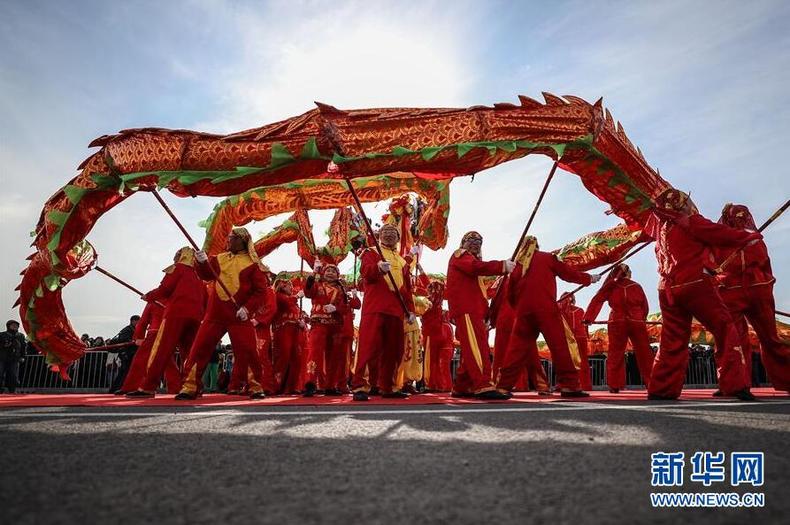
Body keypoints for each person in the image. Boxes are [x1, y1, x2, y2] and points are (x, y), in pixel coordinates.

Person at [644, 189, 761, 400]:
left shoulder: (661, 231)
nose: (690, 204)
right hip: (695, 284)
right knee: (725, 329)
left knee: (672, 340)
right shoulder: (690, 222)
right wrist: (750, 235)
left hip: (667, 289)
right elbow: (720, 233)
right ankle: (734, 385)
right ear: (681, 204)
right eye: (687, 200)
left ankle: (662, 389)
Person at [496, 236, 598, 398]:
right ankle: (569, 385)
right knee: (559, 347)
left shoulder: (516, 267)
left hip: (523, 312)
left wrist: (522, 308)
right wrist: (589, 278)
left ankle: (503, 387)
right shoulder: (547, 257)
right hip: (546, 310)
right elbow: (568, 273)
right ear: (537, 246)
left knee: (515, 350)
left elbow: (509, 296)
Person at [175, 228, 269, 400]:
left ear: (243, 241)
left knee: (248, 351)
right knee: (199, 348)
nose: (229, 240)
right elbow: (206, 275)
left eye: (232, 238)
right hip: (215, 314)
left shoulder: (253, 264)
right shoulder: (219, 258)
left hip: (239, 316)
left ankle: (255, 386)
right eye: (229, 237)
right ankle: (190, 386)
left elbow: (261, 292)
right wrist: (202, 262)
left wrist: (247, 309)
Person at [714, 203, 790, 392]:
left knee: (768, 337)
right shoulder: (724, 240)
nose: (741, 219)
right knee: (733, 338)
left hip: (752, 289)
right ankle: (734, 383)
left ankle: (785, 379)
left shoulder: (753, 239)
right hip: (737, 290)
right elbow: (713, 266)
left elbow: (765, 265)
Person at [127, 247, 206, 398]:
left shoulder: (177, 268)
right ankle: (193, 386)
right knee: (190, 353)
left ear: (181, 256)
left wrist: (149, 296)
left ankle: (148, 386)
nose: (174, 257)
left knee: (162, 350)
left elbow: (165, 289)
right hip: (196, 317)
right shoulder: (199, 276)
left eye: (177, 254)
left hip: (175, 315)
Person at [446, 231, 515, 399]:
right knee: (477, 348)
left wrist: (486, 314)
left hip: (476, 310)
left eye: (479, 240)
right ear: (463, 242)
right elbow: (474, 267)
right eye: (471, 239)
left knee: (473, 348)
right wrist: (501, 266)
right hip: (467, 309)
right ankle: (483, 385)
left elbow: (481, 293)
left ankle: (461, 386)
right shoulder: (461, 255)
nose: (476, 242)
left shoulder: (475, 262)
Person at [351, 224, 416, 401]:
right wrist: (377, 268)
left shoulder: (403, 261)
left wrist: (410, 311)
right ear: (379, 235)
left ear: (398, 237)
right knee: (369, 346)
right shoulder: (371, 252)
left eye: (392, 233)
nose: (388, 235)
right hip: (375, 307)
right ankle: (360, 386)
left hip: (396, 310)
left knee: (394, 349)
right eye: (385, 232)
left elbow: (407, 289)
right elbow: (365, 272)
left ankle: (389, 386)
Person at [583, 264, 652, 392]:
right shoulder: (636, 286)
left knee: (615, 353)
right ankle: (652, 383)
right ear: (628, 273)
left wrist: (589, 317)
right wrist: (641, 318)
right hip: (636, 320)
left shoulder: (611, 286)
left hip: (617, 321)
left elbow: (597, 299)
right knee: (645, 353)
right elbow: (645, 306)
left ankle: (614, 384)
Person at [303, 262, 353, 396]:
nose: (330, 273)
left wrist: (336, 308)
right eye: (328, 271)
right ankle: (310, 383)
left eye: (333, 271)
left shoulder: (342, 290)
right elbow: (308, 292)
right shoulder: (317, 285)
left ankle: (330, 386)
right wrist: (314, 273)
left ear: (337, 275)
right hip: (318, 324)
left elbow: (346, 308)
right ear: (323, 273)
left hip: (336, 325)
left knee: (334, 357)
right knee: (315, 353)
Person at [120, 301, 180, 394]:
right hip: (168, 332)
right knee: (168, 361)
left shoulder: (154, 300)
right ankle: (176, 387)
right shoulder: (172, 299)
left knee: (141, 359)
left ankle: (132, 386)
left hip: (154, 332)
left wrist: (139, 336)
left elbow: (144, 320)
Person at [271, 278, 304, 394]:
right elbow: (286, 303)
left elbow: (297, 314)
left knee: (296, 357)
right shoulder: (278, 296)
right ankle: (276, 385)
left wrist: (302, 322)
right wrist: (297, 297)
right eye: (288, 285)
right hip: (283, 330)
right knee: (283, 356)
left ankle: (293, 386)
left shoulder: (293, 302)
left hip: (295, 331)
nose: (291, 288)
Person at [558, 292, 593, 391]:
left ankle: (565, 384)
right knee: (583, 361)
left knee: (566, 362)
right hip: (581, 337)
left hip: (568, 338)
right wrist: (587, 336)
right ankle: (585, 385)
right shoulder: (580, 310)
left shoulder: (559, 311)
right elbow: (585, 326)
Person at [108, 315, 140, 394]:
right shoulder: (127, 330)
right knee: (124, 372)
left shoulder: (131, 329)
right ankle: (117, 388)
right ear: (133, 321)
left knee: (124, 372)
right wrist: (134, 342)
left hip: (129, 353)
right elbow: (124, 341)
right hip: (127, 354)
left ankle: (117, 388)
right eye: (138, 321)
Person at [0, 320, 27, 394]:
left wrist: (23, 356)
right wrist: (4, 346)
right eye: (13, 325)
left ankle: (12, 390)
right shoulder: (2, 335)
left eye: (16, 325)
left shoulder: (20, 335)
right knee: (0, 374)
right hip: (2, 358)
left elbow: (23, 347)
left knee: (13, 375)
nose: (15, 326)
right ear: (8, 326)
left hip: (15, 358)